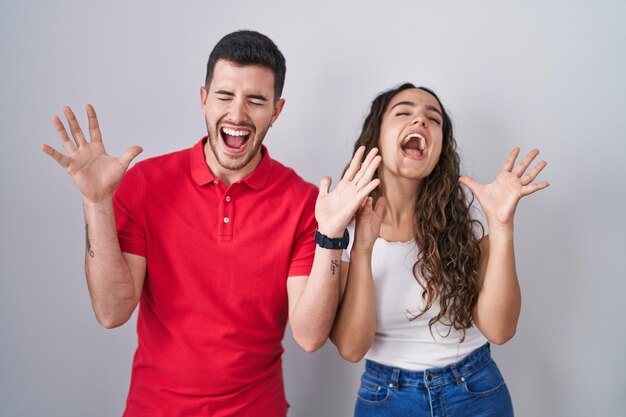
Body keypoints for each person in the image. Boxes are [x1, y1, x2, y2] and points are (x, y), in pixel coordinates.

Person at [40, 30, 381, 417]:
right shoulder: (145, 184)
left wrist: (331, 234)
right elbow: (112, 311)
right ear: (204, 99)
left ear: (276, 110)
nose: (237, 114)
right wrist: (98, 202)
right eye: (224, 96)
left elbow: (308, 336)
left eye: (255, 100)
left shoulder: (304, 202)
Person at [330, 83, 549, 417]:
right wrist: (363, 246)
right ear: (376, 136)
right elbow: (351, 347)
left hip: (476, 390)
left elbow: (500, 330)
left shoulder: (468, 215)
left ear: (441, 148)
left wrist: (502, 227)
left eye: (433, 120)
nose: (420, 122)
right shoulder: (341, 225)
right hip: (387, 399)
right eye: (403, 112)